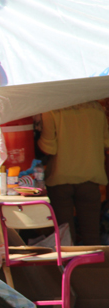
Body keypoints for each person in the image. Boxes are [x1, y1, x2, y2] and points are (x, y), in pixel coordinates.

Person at [37, 101, 109, 245]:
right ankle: (93, 266)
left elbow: (49, 148)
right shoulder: (97, 109)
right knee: (92, 237)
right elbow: (106, 142)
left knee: (65, 236)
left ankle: (69, 267)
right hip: (90, 179)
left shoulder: (51, 110)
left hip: (60, 180)